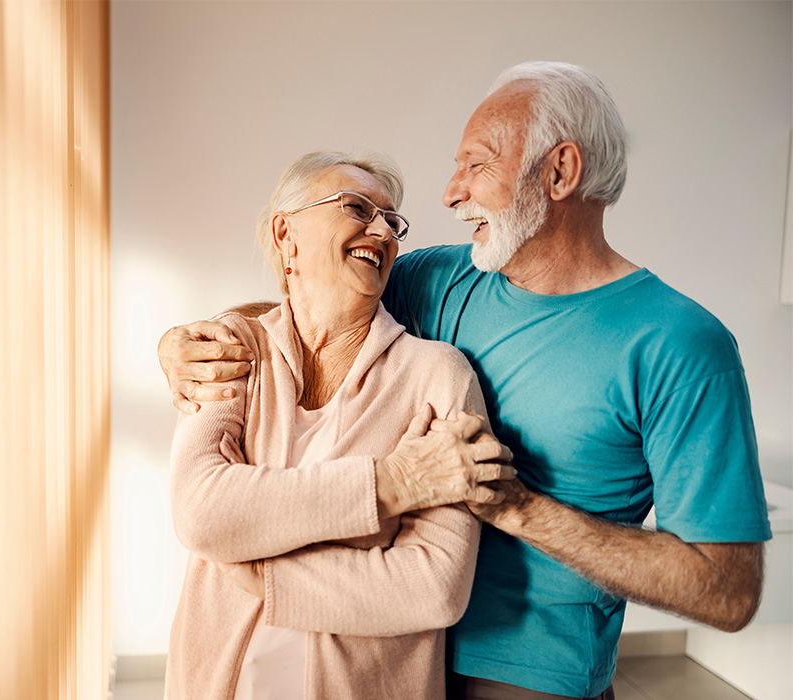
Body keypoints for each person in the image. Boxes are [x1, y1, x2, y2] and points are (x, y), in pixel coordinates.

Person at [159, 62, 771, 700]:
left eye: (476, 165)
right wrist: (189, 340)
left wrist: (520, 508)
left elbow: (727, 588)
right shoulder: (443, 280)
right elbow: (314, 300)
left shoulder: (682, 343)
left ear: (560, 172)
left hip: (521, 681)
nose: (451, 193)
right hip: (386, 664)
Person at [164, 150, 515, 700]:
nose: (382, 230)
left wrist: (265, 575)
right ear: (286, 235)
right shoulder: (231, 348)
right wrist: (394, 482)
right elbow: (201, 512)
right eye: (356, 207)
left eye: (392, 221)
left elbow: (435, 586)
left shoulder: (438, 374)